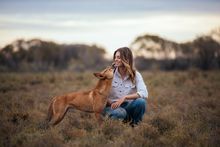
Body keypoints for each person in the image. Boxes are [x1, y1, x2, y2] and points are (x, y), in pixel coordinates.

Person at [103, 47, 148, 126]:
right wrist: (109, 102)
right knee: (120, 113)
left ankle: (134, 126)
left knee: (141, 102)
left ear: (126, 59)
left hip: (128, 106)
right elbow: (100, 93)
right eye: (115, 57)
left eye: (119, 57)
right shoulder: (109, 74)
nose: (116, 59)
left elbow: (144, 93)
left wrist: (125, 97)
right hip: (111, 107)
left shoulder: (136, 75)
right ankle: (111, 127)